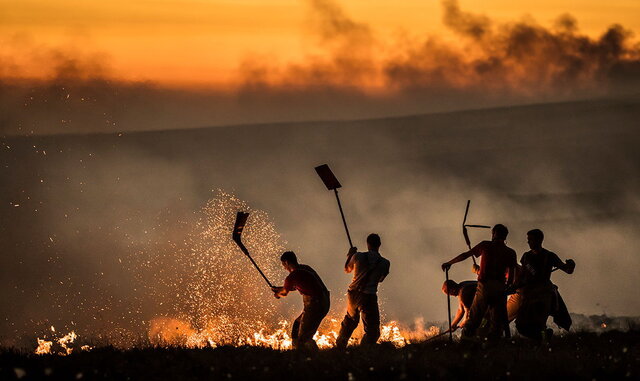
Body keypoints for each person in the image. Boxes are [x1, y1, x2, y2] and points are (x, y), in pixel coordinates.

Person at [442, 224, 516, 339]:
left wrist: (449, 263)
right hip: (500, 288)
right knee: (496, 322)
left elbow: (465, 255)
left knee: (474, 318)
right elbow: (511, 274)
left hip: (485, 286)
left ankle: (465, 343)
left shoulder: (486, 245)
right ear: (505, 236)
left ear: (494, 234)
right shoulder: (510, 252)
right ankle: (493, 347)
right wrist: (507, 287)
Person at [508, 229, 575, 340]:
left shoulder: (550, 256)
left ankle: (543, 343)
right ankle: (543, 338)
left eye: (530, 240)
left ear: (539, 240)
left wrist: (571, 265)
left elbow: (567, 270)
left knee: (539, 323)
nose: (528, 242)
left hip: (543, 295)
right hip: (528, 295)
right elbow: (522, 275)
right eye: (528, 240)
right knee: (520, 324)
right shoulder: (526, 256)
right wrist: (514, 286)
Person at [335, 233, 391, 349]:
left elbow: (347, 269)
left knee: (350, 321)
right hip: (369, 296)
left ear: (367, 244)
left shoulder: (358, 256)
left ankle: (340, 346)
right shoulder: (385, 263)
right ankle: (364, 350)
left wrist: (350, 255)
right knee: (372, 330)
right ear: (379, 244)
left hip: (353, 294)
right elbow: (381, 280)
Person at [271, 251, 330, 350]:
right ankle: (296, 350)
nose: (284, 268)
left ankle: (315, 358)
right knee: (297, 325)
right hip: (324, 300)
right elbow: (296, 286)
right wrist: (279, 288)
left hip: (315, 305)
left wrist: (277, 293)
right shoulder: (305, 268)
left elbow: (285, 293)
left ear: (286, 262)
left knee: (304, 338)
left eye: (283, 265)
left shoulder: (292, 276)